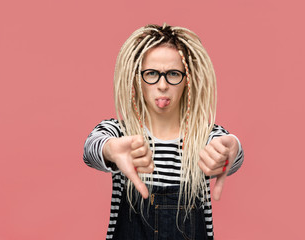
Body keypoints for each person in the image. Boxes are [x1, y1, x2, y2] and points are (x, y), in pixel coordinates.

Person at [83, 23, 244, 240]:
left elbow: (227, 149)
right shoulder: (120, 132)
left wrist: (232, 146)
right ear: (137, 78)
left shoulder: (205, 137)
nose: (162, 85)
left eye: (173, 74)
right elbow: (91, 148)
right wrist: (110, 149)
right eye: (151, 73)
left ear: (187, 79)